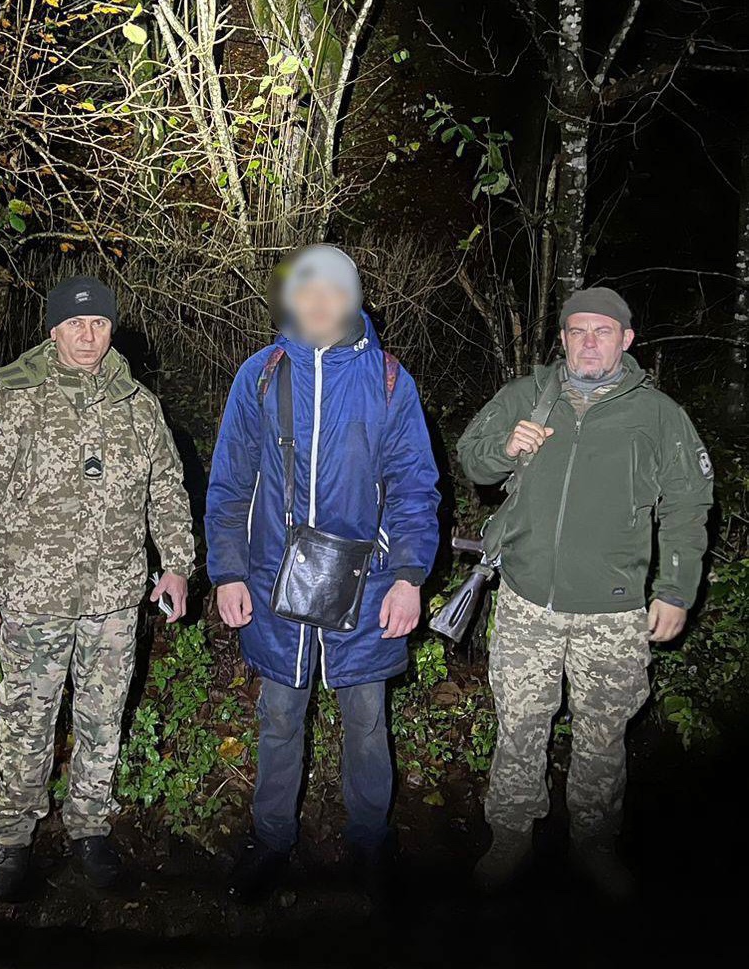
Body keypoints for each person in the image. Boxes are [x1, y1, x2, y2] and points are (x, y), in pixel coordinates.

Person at [457, 286, 713, 895]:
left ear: (627, 340)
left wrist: (675, 588)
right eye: (578, 331)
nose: (589, 342)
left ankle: (594, 843)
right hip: (525, 600)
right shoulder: (527, 395)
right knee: (519, 724)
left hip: (614, 612)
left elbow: (688, 504)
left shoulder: (659, 415)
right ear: (563, 339)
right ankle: (510, 834)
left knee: (603, 735)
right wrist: (504, 448)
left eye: (603, 331)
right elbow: (472, 459)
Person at [205, 245, 440, 900]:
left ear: (353, 298)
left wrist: (409, 575)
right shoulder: (260, 375)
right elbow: (230, 483)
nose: (318, 301)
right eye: (306, 289)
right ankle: (271, 838)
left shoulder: (389, 380)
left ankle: (370, 841)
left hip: (366, 584)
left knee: (365, 720)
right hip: (274, 580)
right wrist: (227, 571)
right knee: (280, 715)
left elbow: (414, 486)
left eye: (333, 289)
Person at [0, 276, 194, 899]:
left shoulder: (139, 405)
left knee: (103, 720)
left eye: (99, 323)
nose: (88, 335)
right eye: (76, 324)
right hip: (31, 598)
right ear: (54, 329)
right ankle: (12, 839)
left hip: (114, 598)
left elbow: (167, 490)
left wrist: (176, 564)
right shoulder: (12, 401)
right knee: (26, 723)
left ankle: (89, 826)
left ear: (112, 329)